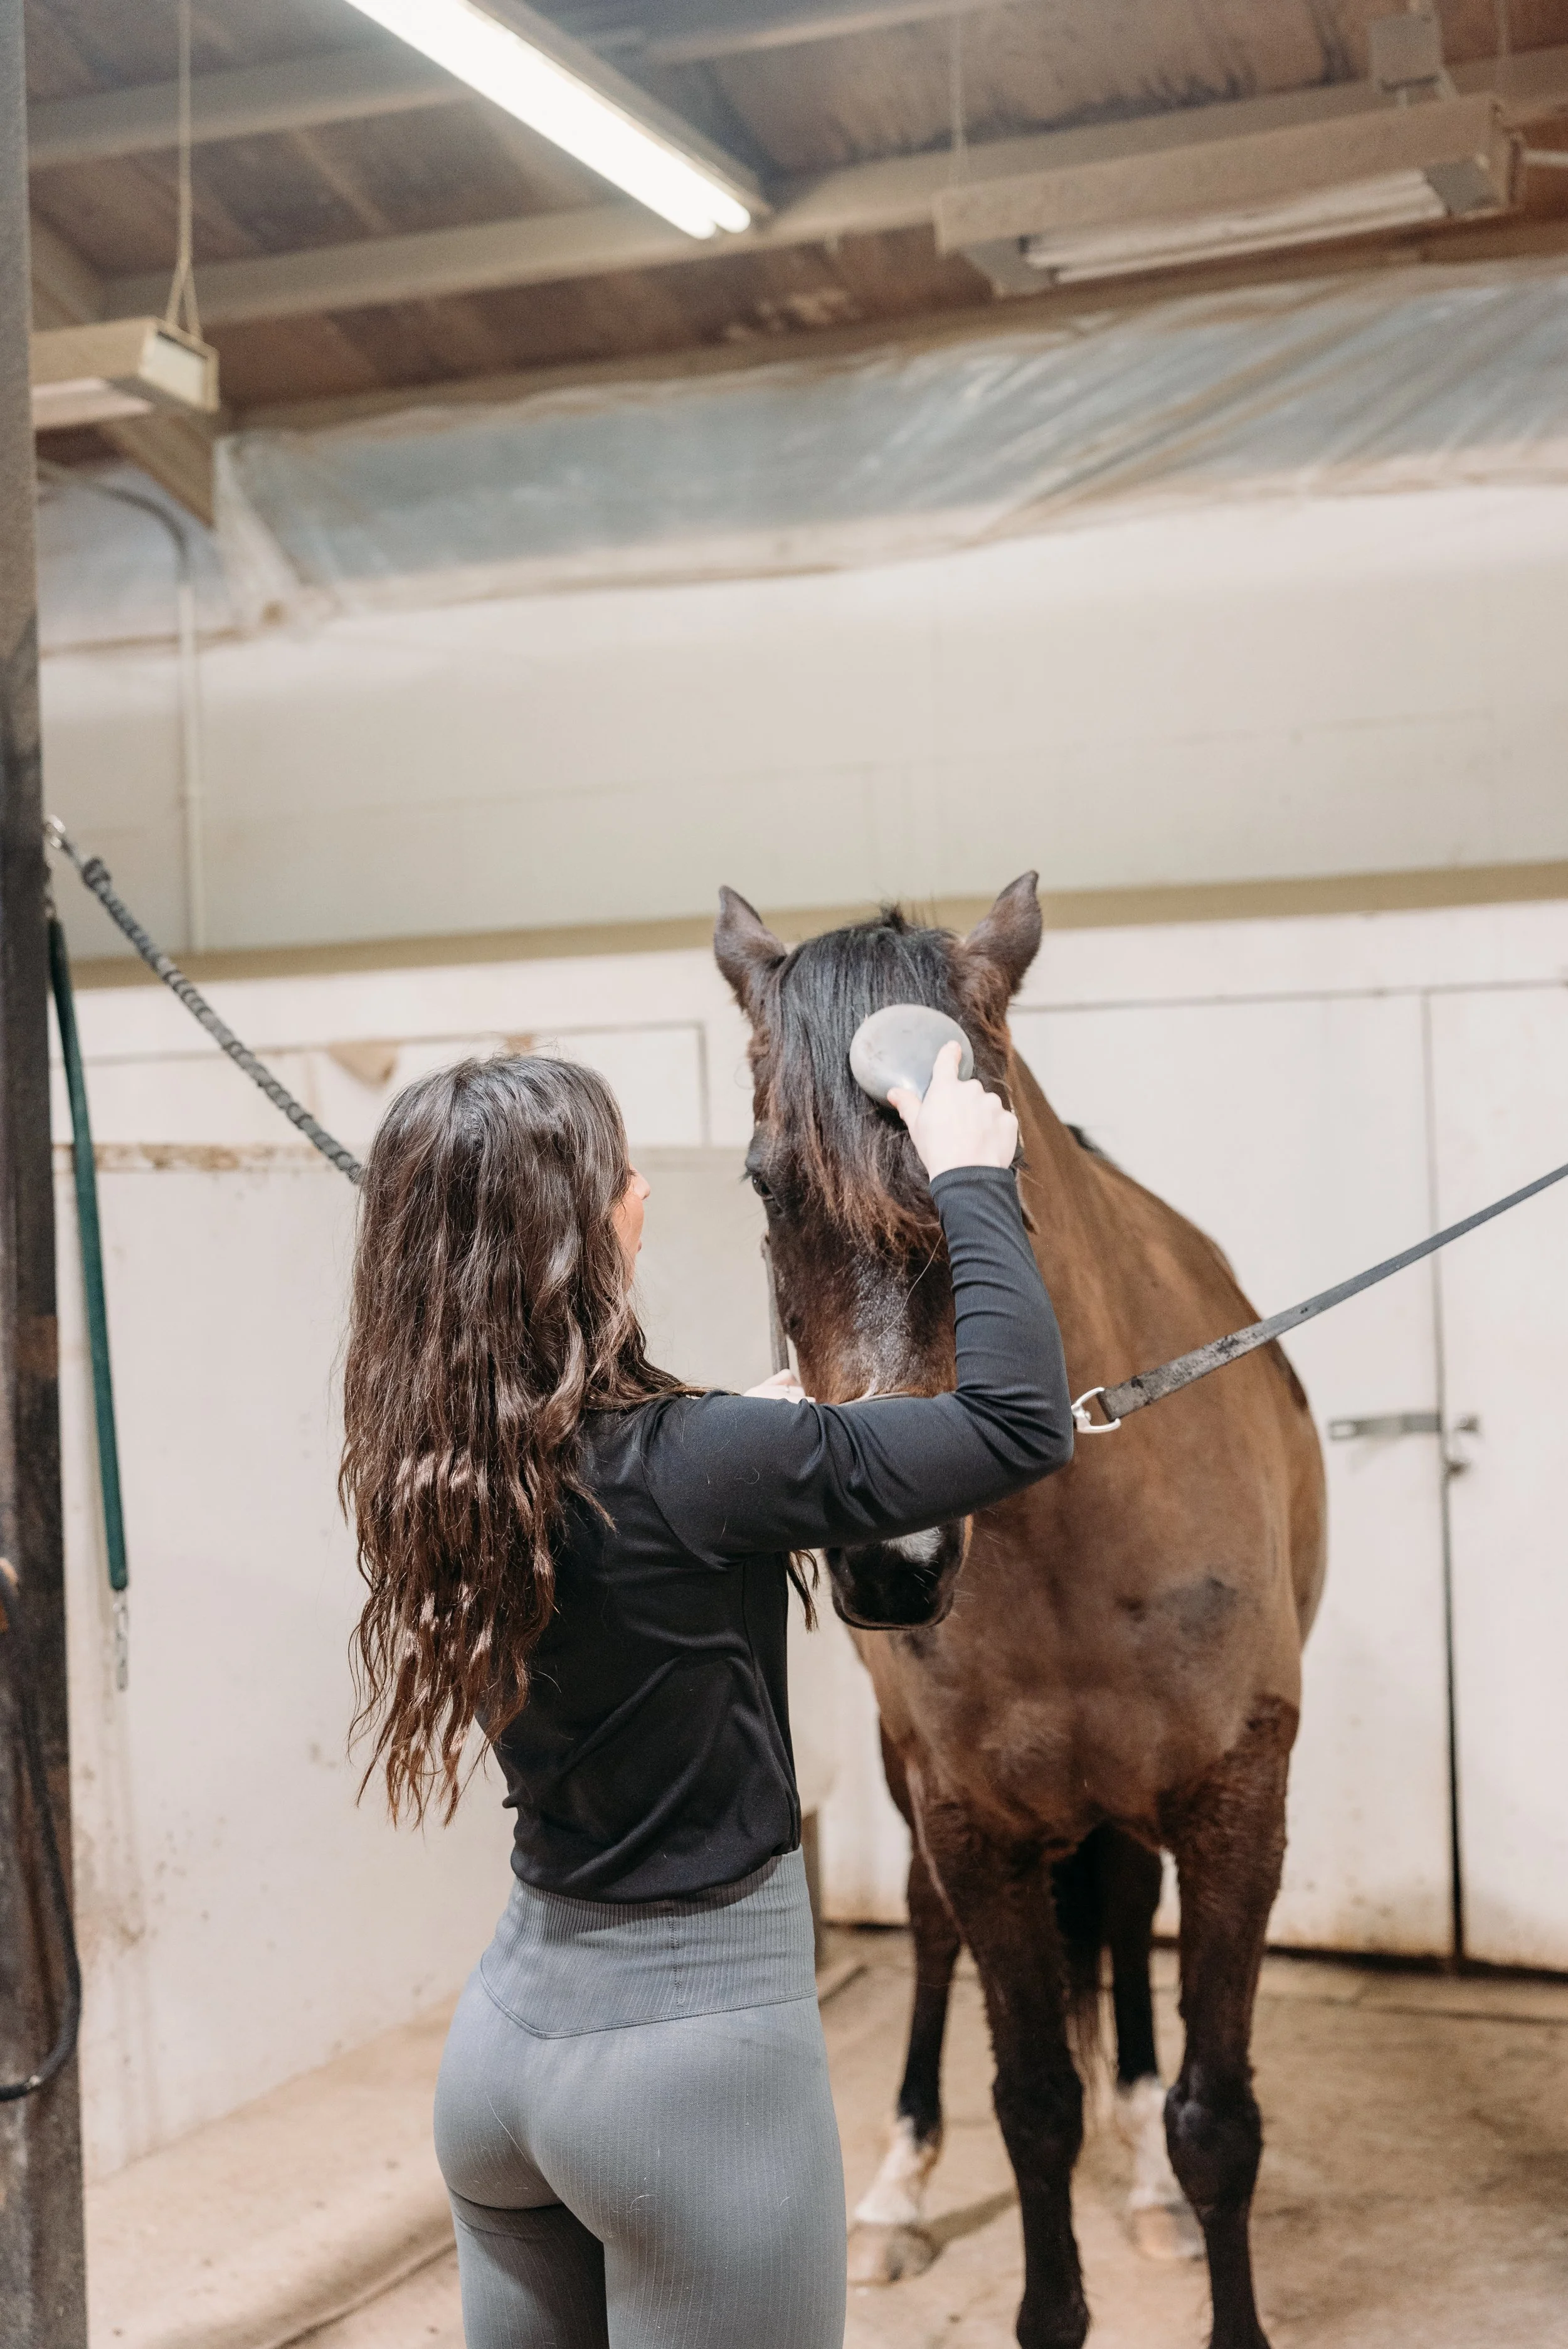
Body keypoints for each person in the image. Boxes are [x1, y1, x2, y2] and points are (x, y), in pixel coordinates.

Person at [339, 1039, 1074, 2349]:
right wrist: (969, 1176)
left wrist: (752, 1434)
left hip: (504, 2051)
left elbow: (625, 1486)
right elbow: (1023, 1424)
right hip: (690, 2082)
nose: (640, 1189)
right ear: (581, 1226)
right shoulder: (711, 1466)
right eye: (621, 1170)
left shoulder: (442, 1465)